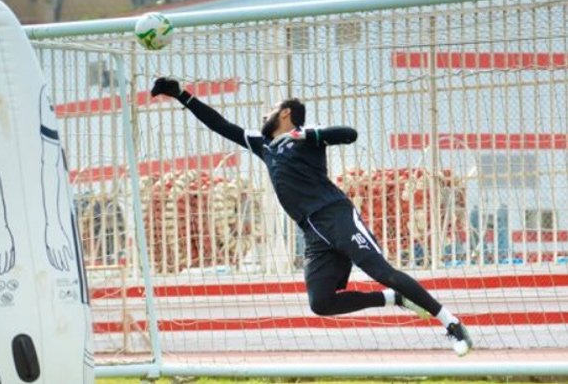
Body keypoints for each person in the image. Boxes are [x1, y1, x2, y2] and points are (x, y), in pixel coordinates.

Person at [151, 77, 472, 356]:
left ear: (286, 113)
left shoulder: (306, 136)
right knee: (321, 303)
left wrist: (308, 136)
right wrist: (182, 95)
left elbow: (350, 134)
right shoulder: (265, 145)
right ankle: (394, 299)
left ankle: (452, 324)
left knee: (382, 271)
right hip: (312, 232)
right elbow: (220, 124)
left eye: (270, 110)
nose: (264, 115)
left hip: (336, 216)